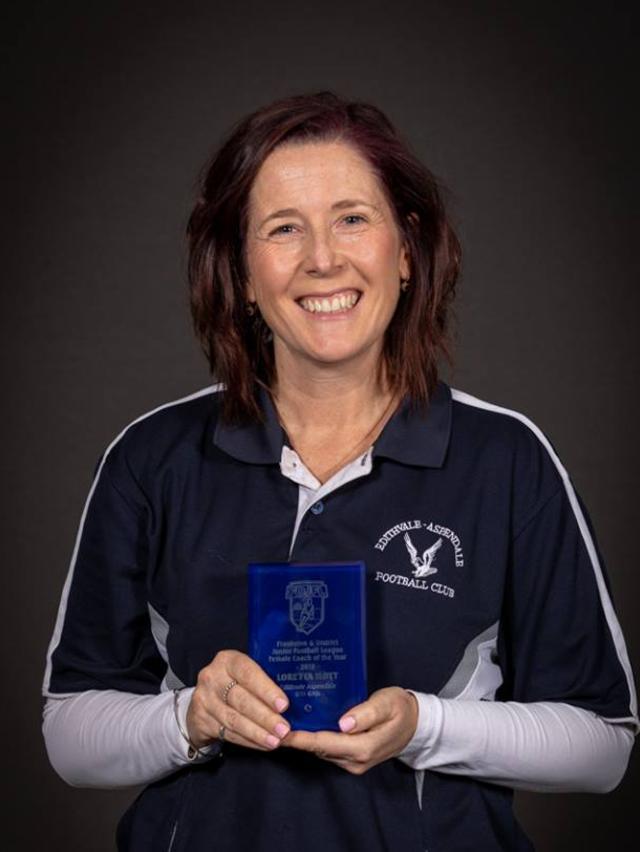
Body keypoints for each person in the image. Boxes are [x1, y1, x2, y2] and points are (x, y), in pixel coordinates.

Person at [42, 91, 637, 851]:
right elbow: (69, 731)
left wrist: (425, 726)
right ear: (242, 273)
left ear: (408, 250)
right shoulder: (152, 457)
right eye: (283, 229)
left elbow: (601, 745)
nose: (323, 258)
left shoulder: (508, 459)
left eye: (352, 218)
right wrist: (193, 715)